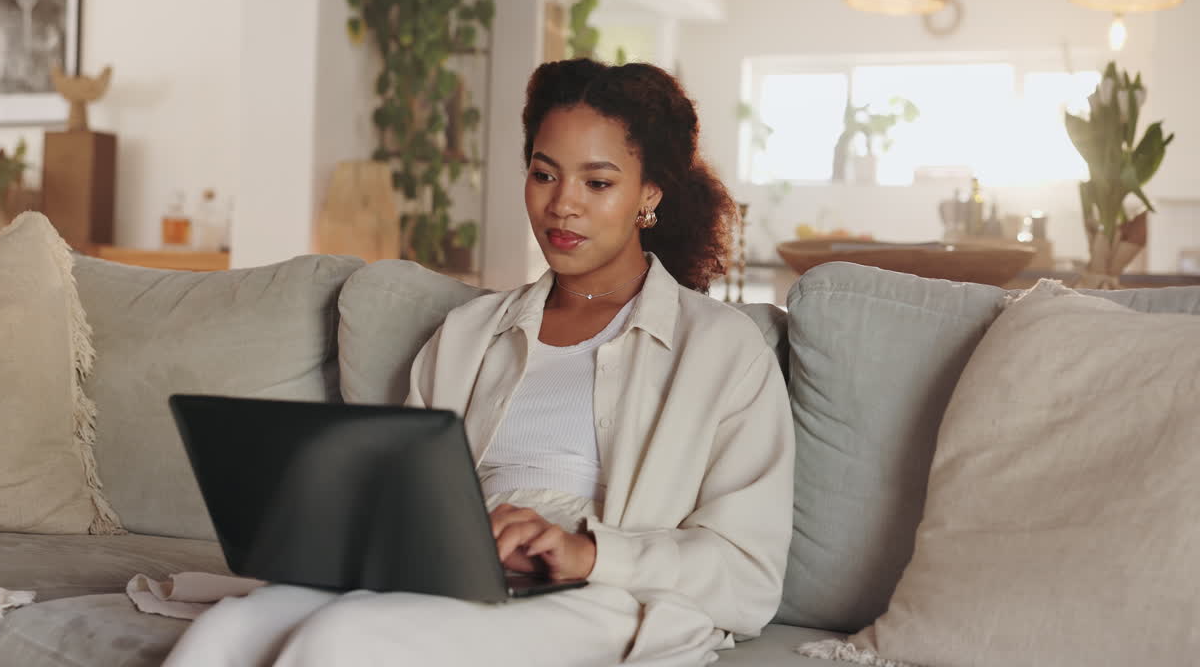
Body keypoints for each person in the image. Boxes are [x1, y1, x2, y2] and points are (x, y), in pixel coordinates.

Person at [164, 58, 794, 667]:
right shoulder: (469, 333)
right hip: (453, 566)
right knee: (228, 630)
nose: (562, 205)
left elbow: (748, 575)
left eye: (597, 183)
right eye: (545, 174)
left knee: (345, 640)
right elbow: (405, 497)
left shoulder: (722, 349)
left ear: (648, 193)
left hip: (601, 593)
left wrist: (590, 554)